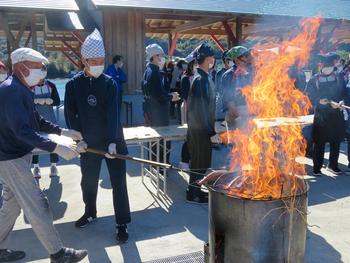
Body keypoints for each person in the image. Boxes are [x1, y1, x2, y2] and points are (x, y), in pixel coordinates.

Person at [0, 47, 87, 262]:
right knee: (37, 204)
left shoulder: (21, 88)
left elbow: (35, 120)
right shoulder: (11, 90)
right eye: (38, 67)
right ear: (21, 67)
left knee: (11, 207)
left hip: (15, 155)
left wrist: (62, 131)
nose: (42, 72)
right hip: (10, 158)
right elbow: (23, 130)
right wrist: (56, 147)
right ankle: (58, 254)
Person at [64, 29, 131, 243]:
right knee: (89, 181)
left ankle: (122, 223)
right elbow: (70, 113)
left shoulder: (109, 83)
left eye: (101, 60)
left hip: (113, 141)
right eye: (94, 61)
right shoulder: (74, 84)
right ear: (84, 60)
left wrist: (112, 142)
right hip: (89, 143)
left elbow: (113, 113)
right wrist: (78, 139)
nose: (99, 64)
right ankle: (90, 212)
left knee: (119, 182)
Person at [186, 43, 222, 204]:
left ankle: (196, 190)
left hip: (203, 129)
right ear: (208, 59)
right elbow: (199, 110)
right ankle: (192, 193)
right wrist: (210, 132)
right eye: (213, 57)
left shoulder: (205, 77)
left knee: (202, 162)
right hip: (199, 130)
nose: (214, 60)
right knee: (198, 163)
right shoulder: (200, 79)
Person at [305, 52, 346, 176]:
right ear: (321, 67)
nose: (328, 70)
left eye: (330, 67)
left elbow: (344, 93)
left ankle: (333, 165)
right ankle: (317, 167)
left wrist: (341, 101)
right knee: (319, 142)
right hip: (321, 115)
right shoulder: (314, 79)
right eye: (325, 67)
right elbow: (308, 95)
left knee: (336, 141)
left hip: (336, 114)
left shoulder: (339, 77)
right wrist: (318, 101)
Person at [142, 44, 180, 163]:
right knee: (162, 141)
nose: (163, 58)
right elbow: (157, 95)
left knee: (154, 141)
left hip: (151, 111)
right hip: (159, 113)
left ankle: (154, 164)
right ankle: (161, 166)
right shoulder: (154, 72)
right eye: (161, 56)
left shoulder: (148, 70)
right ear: (153, 57)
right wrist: (171, 97)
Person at [32, 78, 61, 178]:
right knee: (35, 143)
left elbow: (57, 101)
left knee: (53, 143)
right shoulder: (30, 86)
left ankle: (53, 166)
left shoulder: (51, 85)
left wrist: (51, 101)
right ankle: (36, 167)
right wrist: (34, 101)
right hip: (35, 120)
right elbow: (24, 101)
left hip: (50, 119)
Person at [222, 46, 253, 128]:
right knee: (237, 140)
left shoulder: (249, 73)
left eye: (247, 56)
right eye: (244, 56)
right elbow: (228, 98)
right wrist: (237, 115)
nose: (246, 58)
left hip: (248, 111)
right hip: (236, 112)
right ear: (236, 59)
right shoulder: (228, 75)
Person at [178, 52, 196, 170]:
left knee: (194, 138)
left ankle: (191, 160)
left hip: (195, 110)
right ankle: (184, 161)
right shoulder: (185, 78)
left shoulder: (197, 76)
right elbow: (185, 96)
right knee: (188, 137)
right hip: (188, 109)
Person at [215, 50, 234, 121]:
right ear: (225, 61)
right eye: (230, 59)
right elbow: (219, 90)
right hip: (222, 108)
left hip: (233, 108)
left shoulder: (236, 72)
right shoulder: (220, 74)